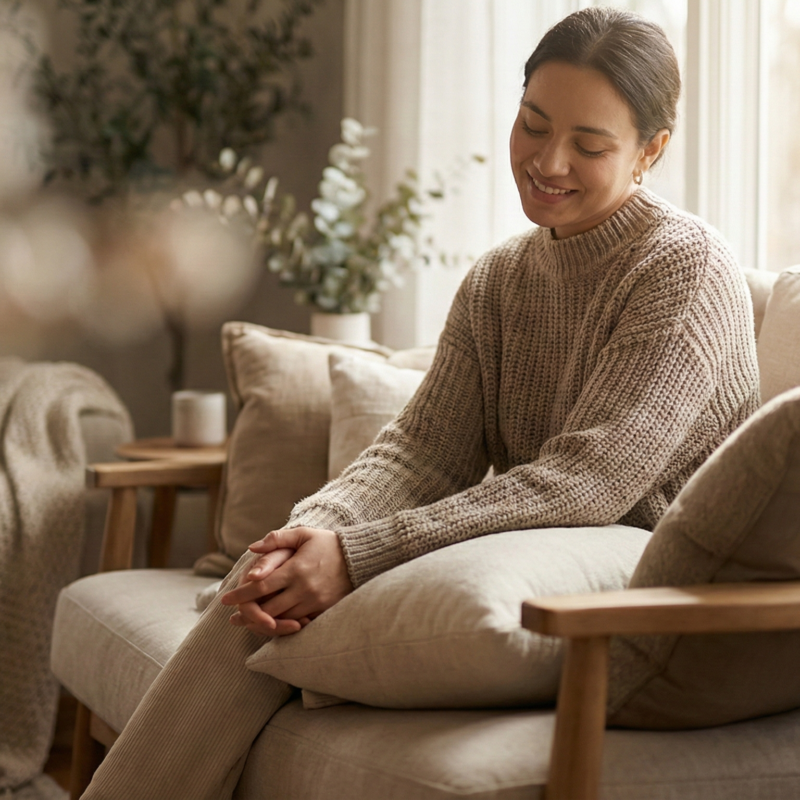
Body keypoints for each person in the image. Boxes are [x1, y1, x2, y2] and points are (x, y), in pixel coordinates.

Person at [82, 7, 759, 799]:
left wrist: (360, 556)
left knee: (292, 595)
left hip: (654, 578)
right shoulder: (500, 278)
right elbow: (422, 453)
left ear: (652, 150)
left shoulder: (685, 268)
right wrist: (317, 530)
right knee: (264, 590)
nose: (547, 161)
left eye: (590, 144)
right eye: (533, 124)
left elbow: (590, 483)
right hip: (540, 553)